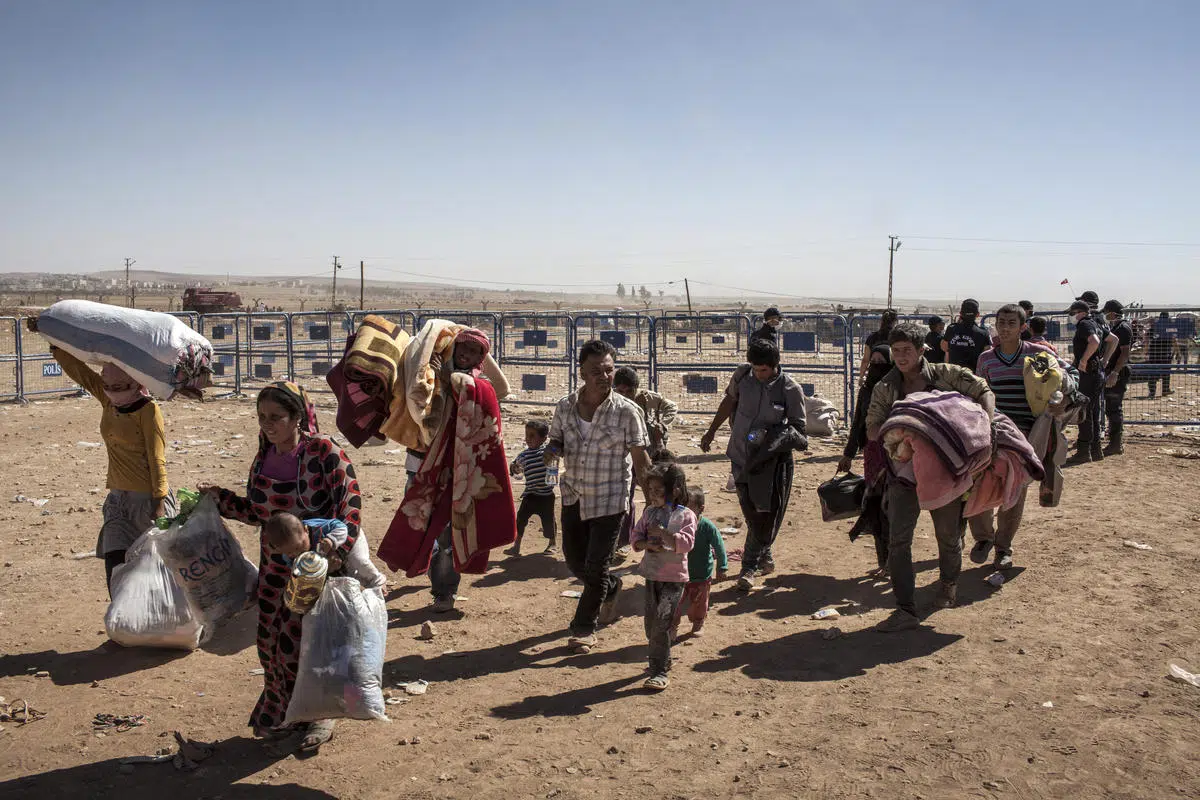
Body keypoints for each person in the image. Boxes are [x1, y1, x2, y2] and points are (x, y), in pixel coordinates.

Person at [197, 381, 362, 753]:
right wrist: (219, 499)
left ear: (298, 417)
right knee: (272, 644)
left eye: (276, 418)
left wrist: (337, 550)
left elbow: (349, 509)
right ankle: (284, 711)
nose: (268, 425)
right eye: (262, 418)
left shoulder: (326, 453)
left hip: (314, 568)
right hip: (273, 569)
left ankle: (320, 714)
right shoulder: (265, 455)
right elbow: (259, 513)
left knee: (310, 644)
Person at [25, 317, 176, 594]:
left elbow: (157, 458)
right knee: (115, 563)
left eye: (120, 388)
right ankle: (122, 622)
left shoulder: (148, 410)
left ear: (134, 382)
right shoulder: (107, 400)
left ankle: (155, 625)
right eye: (110, 387)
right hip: (118, 499)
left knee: (150, 568)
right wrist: (52, 338)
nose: (114, 393)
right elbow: (78, 371)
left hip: (147, 500)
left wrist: (159, 501)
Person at [866, 323, 995, 632]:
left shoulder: (945, 374)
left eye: (906, 351)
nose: (900, 357)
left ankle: (949, 585)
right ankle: (905, 608)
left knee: (948, 536)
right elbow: (872, 429)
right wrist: (902, 426)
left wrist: (984, 426)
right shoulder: (885, 387)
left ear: (922, 350)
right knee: (899, 541)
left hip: (944, 472)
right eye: (895, 351)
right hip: (903, 474)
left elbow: (983, 391)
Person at [547, 339, 651, 652]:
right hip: (574, 494)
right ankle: (613, 586)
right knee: (575, 562)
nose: (603, 376)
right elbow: (556, 440)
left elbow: (641, 461)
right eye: (596, 370)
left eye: (608, 370)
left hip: (610, 498)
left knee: (595, 567)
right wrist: (550, 453)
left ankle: (583, 628)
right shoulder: (565, 406)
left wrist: (659, 505)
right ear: (581, 372)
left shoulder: (627, 412)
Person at [700, 338, 807, 592]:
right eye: (755, 369)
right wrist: (711, 431)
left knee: (762, 512)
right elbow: (728, 402)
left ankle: (748, 568)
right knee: (751, 512)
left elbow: (799, 431)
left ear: (775, 366)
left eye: (764, 370)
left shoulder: (790, 389)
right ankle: (765, 557)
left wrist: (775, 438)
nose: (758, 375)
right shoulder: (742, 376)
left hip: (769, 465)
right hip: (739, 456)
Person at [970, 305, 1070, 571]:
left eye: (1011, 323)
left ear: (1022, 327)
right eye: (1000, 323)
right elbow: (981, 391)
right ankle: (983, 539)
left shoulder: (1039, 354)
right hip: (994, 430)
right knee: (978, 481)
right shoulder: (987, 359)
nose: (1004, 328)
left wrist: (1061, 400)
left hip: (1028, 433)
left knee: (1014, 489)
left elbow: (1068, 379)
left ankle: (1003, 547)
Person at [418, 327, 510, 613]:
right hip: (423, 460)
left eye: (474, 352)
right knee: (423, 525)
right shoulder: (431, 371)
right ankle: (436, 578)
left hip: (459, 468)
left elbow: (502, 389)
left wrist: (478, 351)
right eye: (462, 348)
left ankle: (444, 592)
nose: (465, 355)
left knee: (448, 533)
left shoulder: (476, 384)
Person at [630, 463, 696, 691]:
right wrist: (645, 543)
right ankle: (663, 657)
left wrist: (665, 535)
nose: (653, 496)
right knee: (651, 626)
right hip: (651, 576)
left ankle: (658, 671)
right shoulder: (648, 513)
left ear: (675, 490)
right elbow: (635, 536)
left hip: (674, 579)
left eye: (658, 491)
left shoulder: (685, 515)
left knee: (661, 624)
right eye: (650, 491)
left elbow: (686, 543)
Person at [263, 512, 386, 589]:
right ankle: (365, 586)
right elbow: (296, 571)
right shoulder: (289, 556)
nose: (296, 553)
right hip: (330, 557)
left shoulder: (317, 527)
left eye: (298, 548)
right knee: (348, 576)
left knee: (358, 561)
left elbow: (342, 527)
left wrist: (331, 540)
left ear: (306, 530)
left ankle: (378, 580)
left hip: (349, 541)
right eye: (289, 552)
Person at [672, 488, 727, 639]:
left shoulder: (706, 527)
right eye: (681, 505)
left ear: (700, 508)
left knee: (699, 604)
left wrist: (722, 567)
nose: (684, 510)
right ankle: (672, 626)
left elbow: (719, 546)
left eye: (688, 506)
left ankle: (698, 623)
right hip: (679, 574)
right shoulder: (676, 524)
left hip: (701, 574)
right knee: (674, 603)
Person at [1066, 300, 1117, 463]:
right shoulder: (1096, 323)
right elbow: (1113, 340)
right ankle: (1096, 450)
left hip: (1087, 373)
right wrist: (1105, 360)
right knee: (1094, 412)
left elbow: (1094, 341)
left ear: (1079, 312)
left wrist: (1083, 360)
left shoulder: (1085, 324)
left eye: (1071, 313)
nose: (1071, 317)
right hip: (1097, 372)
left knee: (1085, 412)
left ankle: (1084, 451)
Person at [838, 344, 892, 474]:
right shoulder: (866, 390)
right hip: (871, 447)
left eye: (881, 362)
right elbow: (857, 422)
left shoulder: (896, 388)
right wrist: (848, 454)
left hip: (894, 449)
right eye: (873, 362)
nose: (877, 365)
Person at [508, 419, 557, 556]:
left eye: (532, 436)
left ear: (543, 438)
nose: (528, 439)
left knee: (548, 520)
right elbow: (515, 468)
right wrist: (514, 468)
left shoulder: (547, 452)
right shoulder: (524, 455)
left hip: (546, 495)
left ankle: (552, 543)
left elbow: (556, 450)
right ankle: (516, 545)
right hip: (530, 494)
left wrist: (553, 448)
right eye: (527, 435)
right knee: (521, 519)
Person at [612, 366, 678, 454]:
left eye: (629, 391)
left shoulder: (645, 397)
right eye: (621, 391)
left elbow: (672, 406)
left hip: (643, 442)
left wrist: (663, 424)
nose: (625, 396)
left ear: (636, 388)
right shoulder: (611, 397)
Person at [1101, 300, 1133, 456]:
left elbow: (1125, 353)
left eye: (1107, 312)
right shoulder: (1117, 327)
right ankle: (1114, 441)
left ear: (1112, 313)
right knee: (1111, 408)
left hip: (1118, 373)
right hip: (1114, 371)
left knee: (1114, 408)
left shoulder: (1123, 328)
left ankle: (1115, 444)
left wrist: (1115, 372)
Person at [941, 299, 991, 369]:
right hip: (973, 375)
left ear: (960, 313)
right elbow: (987, 354)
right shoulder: (983, 333)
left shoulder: (951, 329)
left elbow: (944, 347)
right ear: (977, 314)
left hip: (953, 373)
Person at [1146, 311, 1177, 399]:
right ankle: (1165, 390)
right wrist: (1177, 351)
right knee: (1166, 373)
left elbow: (1147, 340)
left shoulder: (1154, 326)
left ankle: (1152, 393)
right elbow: (1174, 340)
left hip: (1154, 353)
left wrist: (1145, 351)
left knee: (1152, 373)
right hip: (1165, 354)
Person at [861, 310, 898, 382]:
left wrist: (861, 377)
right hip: (891, 375)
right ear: (895, 322)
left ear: (881, 321)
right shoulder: (897, 338)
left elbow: (865, 360)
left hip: (873, 374)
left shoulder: (872, 337)